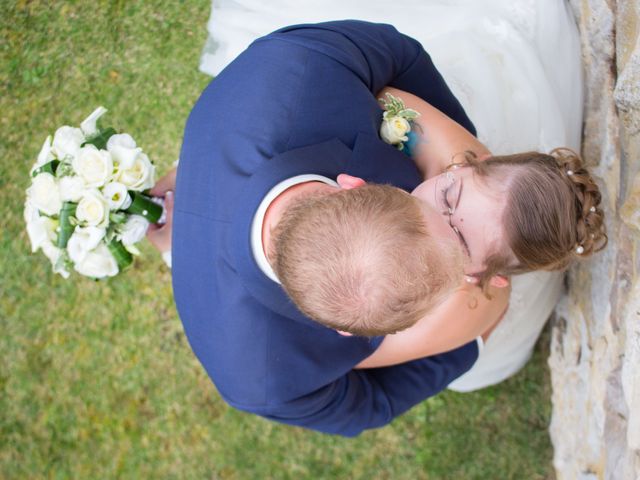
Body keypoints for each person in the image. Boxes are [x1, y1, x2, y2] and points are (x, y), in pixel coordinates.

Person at [150, 20, 487, 437]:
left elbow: (401, 54)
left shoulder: (298, 71)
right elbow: (372, 404)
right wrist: (469, 332)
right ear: (343, 331)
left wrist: (465, 163)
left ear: (353, 182)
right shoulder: (258, 380)